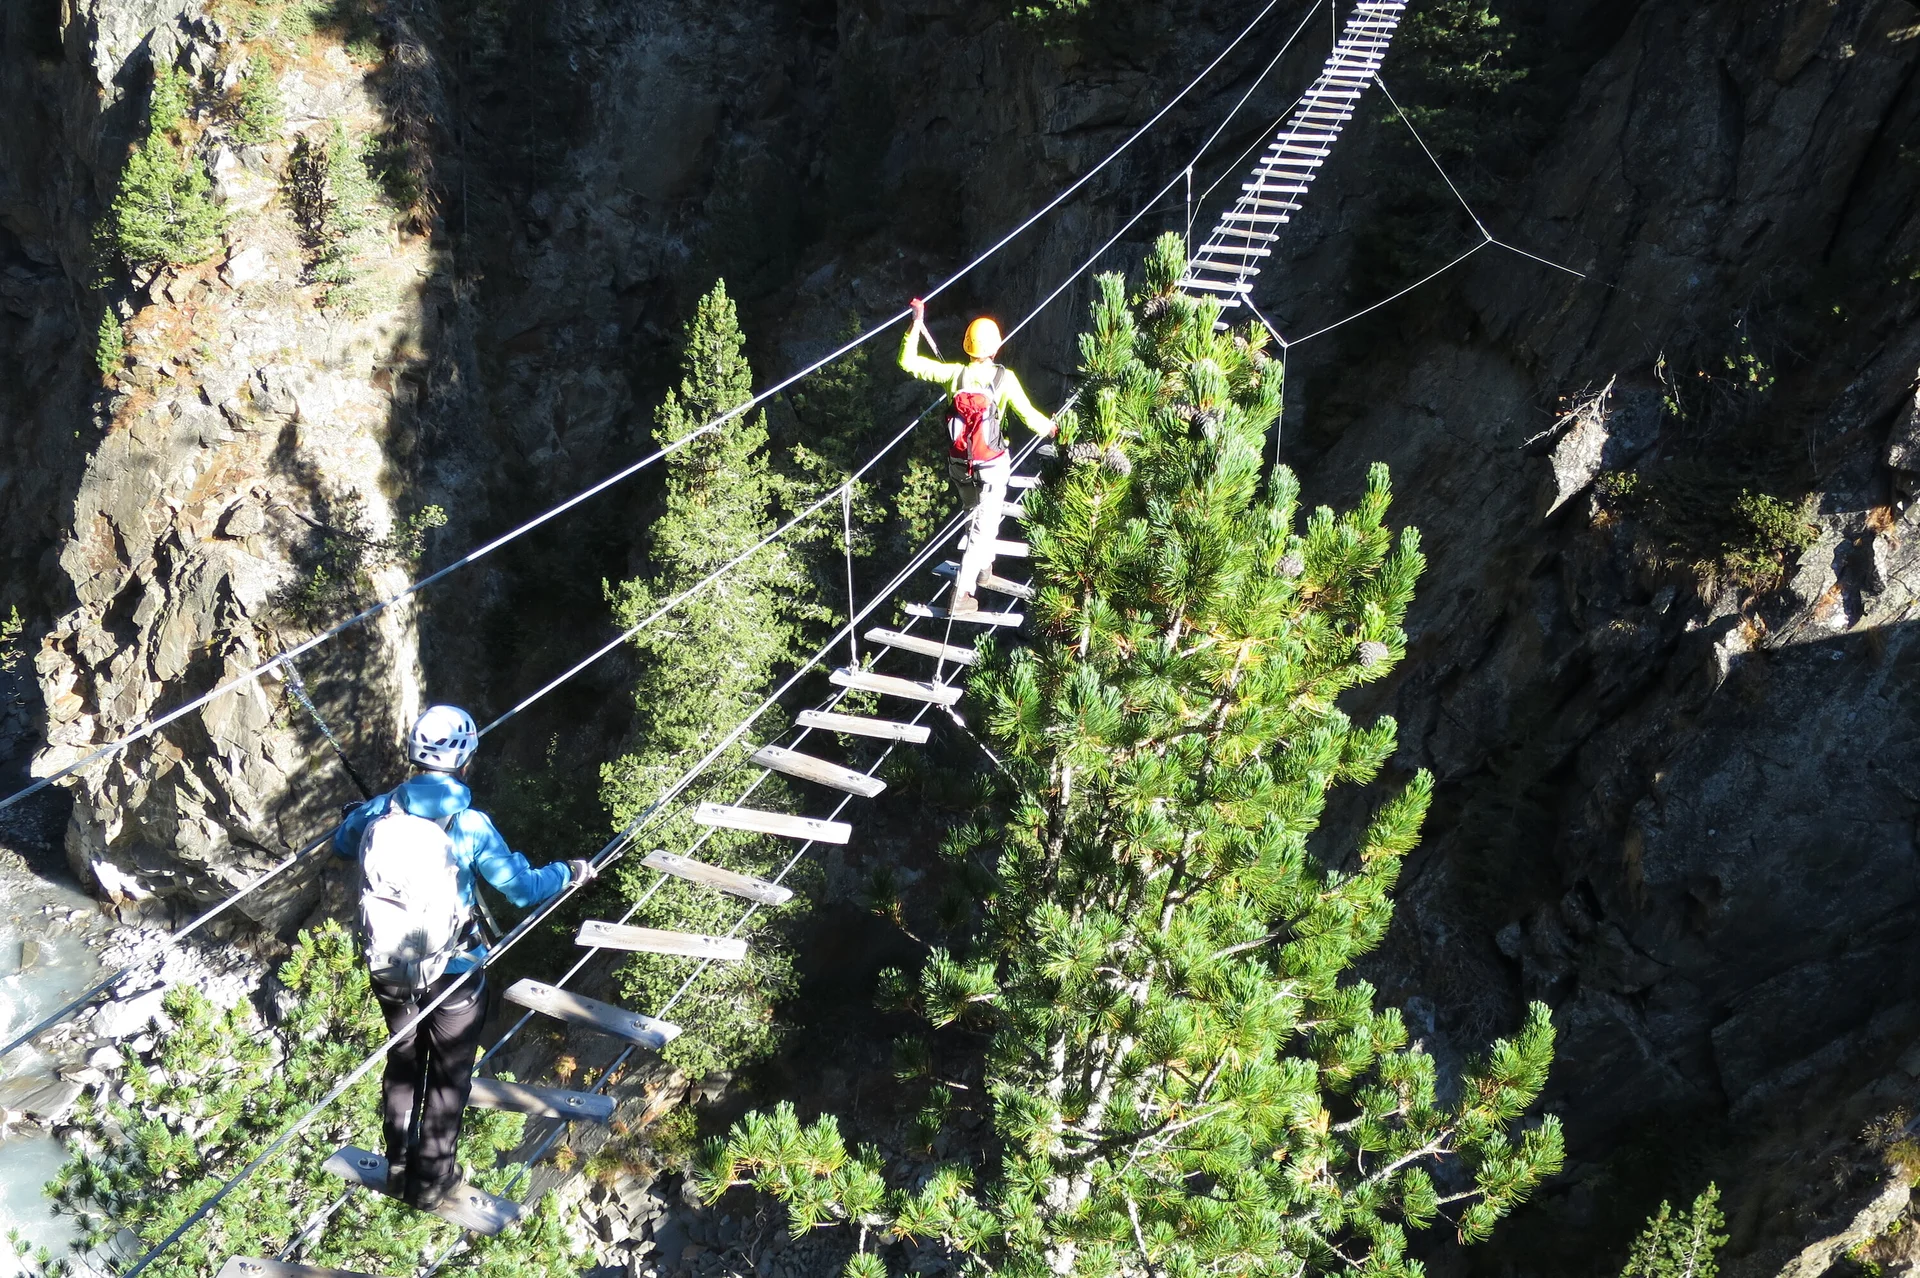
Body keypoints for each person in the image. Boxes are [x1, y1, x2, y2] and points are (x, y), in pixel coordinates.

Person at [333, 704, 592, 1210]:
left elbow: (345, 845)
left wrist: (354, 816)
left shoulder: (383, 809)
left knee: (404, 1059)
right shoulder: (471, 825)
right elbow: (521, 889)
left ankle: (399, 1161)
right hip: (453, 971)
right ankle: (432, 1180)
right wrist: (570, 872)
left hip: (390, 967)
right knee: (448, 1075)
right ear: (466, 759)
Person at [900, 299, 1055, 612]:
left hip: (960, 463)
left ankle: (983, 567)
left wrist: (916, 323)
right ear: (995, 348)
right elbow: (1029, 417)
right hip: (992, 464)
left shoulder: (954, 374)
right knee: (983, 527)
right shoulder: (1004, 379)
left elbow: (908, 362)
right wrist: (1052, 428)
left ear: (967, 346)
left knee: (976, 516)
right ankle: (961, 593)